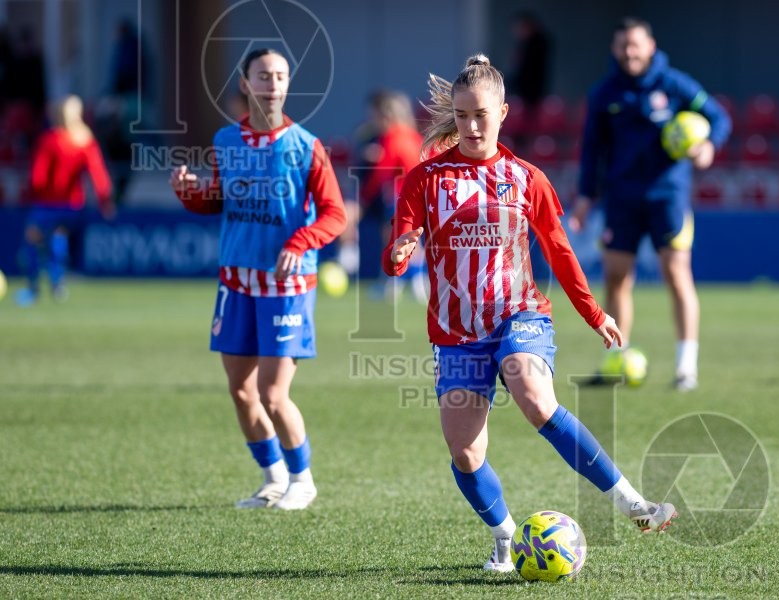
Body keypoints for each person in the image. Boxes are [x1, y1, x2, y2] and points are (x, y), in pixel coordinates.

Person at [383, 54, 677, 573]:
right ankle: (505, 537)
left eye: (482, 114)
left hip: (519, 315)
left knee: (535, 396)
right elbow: (394, 253)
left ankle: (634, 504)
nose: (472, 125)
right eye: (463, 114)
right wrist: (401, 250)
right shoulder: (425, 180)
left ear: (504, 112)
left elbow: (560, 253)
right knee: (465, 454)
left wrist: (594, 314)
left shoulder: (526, 178)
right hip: (455, 333)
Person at [170, 48, 347, 510]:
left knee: (272, 393)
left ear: (288, 85)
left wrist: (299, 242)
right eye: (263, 75)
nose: (272, 82)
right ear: (246, 84)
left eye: (280, 75)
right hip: (236, 282)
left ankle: (302, 481)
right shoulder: (226, 142)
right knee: (242, 391)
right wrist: (191, 195)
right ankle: (273, 479)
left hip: (285, 286)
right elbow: (217, 201)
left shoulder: (306, 146)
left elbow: (335, 215)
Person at [569, 17, 731, 392]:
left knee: (676, 274)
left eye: (636, 45)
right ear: (615, 49)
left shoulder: (675, 84)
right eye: (623, 46)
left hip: (668, 195)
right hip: (621, 197)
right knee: (616, 277)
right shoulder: (604, 93)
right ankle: (617, 362)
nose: (630, 52)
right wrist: (584, 198)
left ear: (651, 47)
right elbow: (592, 150)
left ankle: (685, 367)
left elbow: (719, 118)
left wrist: (708, 146)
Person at [16, 95, 114, 306]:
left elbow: (38, 176)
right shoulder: (85, 141)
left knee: (33, 241)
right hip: (72, 206)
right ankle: (57, 284)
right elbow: (99, 175)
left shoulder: (50, 140)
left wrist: (28, 194)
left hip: (46, 205)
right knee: (58, 240)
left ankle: (33, 288)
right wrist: (105, 201)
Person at [358, 89, 427, 301]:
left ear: (386, 115)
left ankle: (394, 284)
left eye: (375, 116)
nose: (372, 120)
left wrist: (363, 199)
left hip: (402, 198)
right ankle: (414, 286)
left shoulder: (392, 138)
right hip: (420, 197)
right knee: (411, 242)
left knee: (398, 241)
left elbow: (381, 173)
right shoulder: (415, 137)